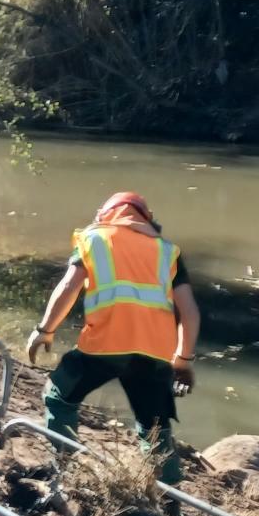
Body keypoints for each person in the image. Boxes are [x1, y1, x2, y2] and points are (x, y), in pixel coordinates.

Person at [24, 191, 201, 484]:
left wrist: (45, 331)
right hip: (154, 352)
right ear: (147, 218)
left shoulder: (93, 239)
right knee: (155, 427)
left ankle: (63, 471)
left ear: (104, 213)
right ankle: (171, 503)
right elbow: (190, 311)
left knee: (59, 398)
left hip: (103, 346)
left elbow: (69, 287)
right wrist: (183, 360)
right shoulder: (168, 251)